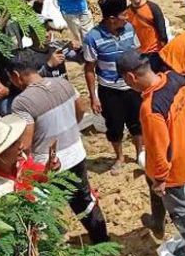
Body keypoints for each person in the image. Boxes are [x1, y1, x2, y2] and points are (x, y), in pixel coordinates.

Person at [7, 48, 109, 244]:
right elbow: (80, 110)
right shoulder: (63, 84)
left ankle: (54, 247)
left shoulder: (22, 102)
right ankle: (102, 240)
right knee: (84, 197)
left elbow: (26, 143)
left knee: (45, 208)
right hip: (76, 152)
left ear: (16, 75)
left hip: (46, 165)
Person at [118, 49, 185, 256]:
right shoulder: (174, 78)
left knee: (179, 210)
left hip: (172, 170)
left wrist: (160, 179)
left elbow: (161, 148)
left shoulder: (150, 108)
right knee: (168, 194)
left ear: (130, 77)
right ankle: (157, 221)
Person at [83, 0, 143, 175]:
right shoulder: (92, 38)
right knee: (115, 127)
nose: (127, 17)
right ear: (111, 18)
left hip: (132, 88)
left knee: (137, 124)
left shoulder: (129, 29)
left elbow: (138, 54)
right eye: (124, 14)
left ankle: (140, 153)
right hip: (110, 91)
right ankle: (119, 157)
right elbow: (89, 69)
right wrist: (93, 97)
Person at [0, 115, 60, 200]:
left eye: (17, 140)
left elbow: (34, 173)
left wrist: (48, 170)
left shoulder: (18, 160)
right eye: (12, 144)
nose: (21, 145)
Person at [124, 0, 169, 72]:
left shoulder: (153, 8)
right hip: (138, 54)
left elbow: (163, 34)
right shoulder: (127, 12)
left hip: (155, 53)